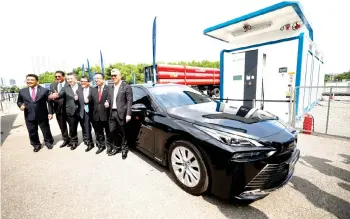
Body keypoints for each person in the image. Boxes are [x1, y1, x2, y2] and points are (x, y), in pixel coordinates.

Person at [49, 72, 89, 150]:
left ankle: (86, 140)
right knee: (72, 128)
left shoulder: (82, 86)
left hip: (82, 110)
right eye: (68, 79)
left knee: (84, 126)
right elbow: (60, 94)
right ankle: (74, 142)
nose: (69, 80)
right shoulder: (65, 87)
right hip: (71, 110)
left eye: (71, 78)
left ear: (75, 79)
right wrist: (54, 95)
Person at [17, 74, 54, 152]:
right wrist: (20, 106)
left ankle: (48, 142)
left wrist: (50, 113)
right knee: (32, 131)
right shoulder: (22, 91)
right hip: (29, 115)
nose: (29, 81)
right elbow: (19, 101)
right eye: (28, 80)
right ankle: (36, 144)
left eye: (32, 80)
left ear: (37, 81)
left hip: (42, 114)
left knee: (46, 130)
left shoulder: (44, 90)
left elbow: (49, 102)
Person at [108, 69, 133, 159]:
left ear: (120, 76)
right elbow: (109, 98)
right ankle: (117, 147)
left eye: (115, 75)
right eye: (112, 76)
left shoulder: (126, 86)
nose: (113, 77)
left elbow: (130, 101)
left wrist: (128, 114)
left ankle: (124, 149)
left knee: (123, 133)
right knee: (112, 131)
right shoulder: (111, 87)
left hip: (122, 113)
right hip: (112, 113)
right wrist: (107, 102)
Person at [89, 73, 112, 155]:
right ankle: (101, 146)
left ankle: (109, 146)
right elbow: (90, 101)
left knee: (108, 132)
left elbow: (112, 98)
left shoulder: (109, 88)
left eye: (98, 78)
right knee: (99, 132)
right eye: (95, 78)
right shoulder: (93, 89)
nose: (96, 80)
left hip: (106, 114)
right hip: (96, 115)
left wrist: (109, 102)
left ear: (103, 79)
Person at [48, 70, 70, 148]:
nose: (57, 78)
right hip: (58, 109)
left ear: (63, 76)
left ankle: (73, 140)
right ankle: (66, 139)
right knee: (62, 126)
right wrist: (50, 112)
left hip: (69, 108)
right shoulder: (52, 85)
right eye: (56, 76)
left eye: (59, 76)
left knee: (72, 125)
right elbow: (49, 99)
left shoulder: (69, 83)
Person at [80, 76, 95, 151]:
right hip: (85, 112)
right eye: (81, 81)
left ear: (88, 82)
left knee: (97, 128)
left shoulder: (94, 89)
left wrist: (89, 100)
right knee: (87, 128)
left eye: (84, 81)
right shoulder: (79, 90)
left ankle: (99, 143)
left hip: (94, 112)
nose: (82, 83)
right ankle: (90, 143)